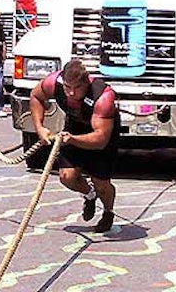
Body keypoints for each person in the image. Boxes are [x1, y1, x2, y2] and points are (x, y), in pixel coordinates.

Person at [29, 59, 120, 232]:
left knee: (101, 182)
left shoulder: (103, 96)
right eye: (67, 87)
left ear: (86, 82)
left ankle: (108, 212)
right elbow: (36, 96)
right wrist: (39, 128)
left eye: (76, 88)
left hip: (102, 133)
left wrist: (72, 140)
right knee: (67, 177)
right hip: (74, 127)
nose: (70, 93)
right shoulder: (53, 82)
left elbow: (100, 139)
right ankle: (89, 194)